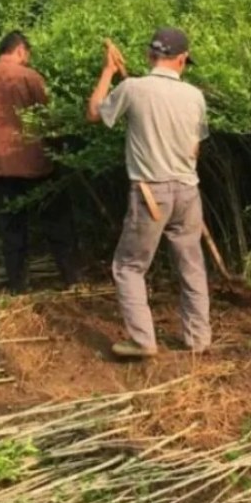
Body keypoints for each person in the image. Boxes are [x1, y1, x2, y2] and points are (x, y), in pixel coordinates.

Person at [86, 27, 211, 358]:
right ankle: (198, 339)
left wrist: (108, 72)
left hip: (150, 193)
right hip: (188, 191)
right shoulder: (195, 96)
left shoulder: (133, 88)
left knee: (129, 266)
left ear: (149, 56)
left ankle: (143, 340)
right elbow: (194, 150)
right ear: (182, 59)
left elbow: (94, 112)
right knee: (191, 265)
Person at [0, 31, 79, 293]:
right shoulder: (30, 78)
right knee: (57, 220)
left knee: (11, 228)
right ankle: (70, 278)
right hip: (35, 161)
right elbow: (48, 118)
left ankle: (18, 286)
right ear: (20, 51)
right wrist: (60, 152)